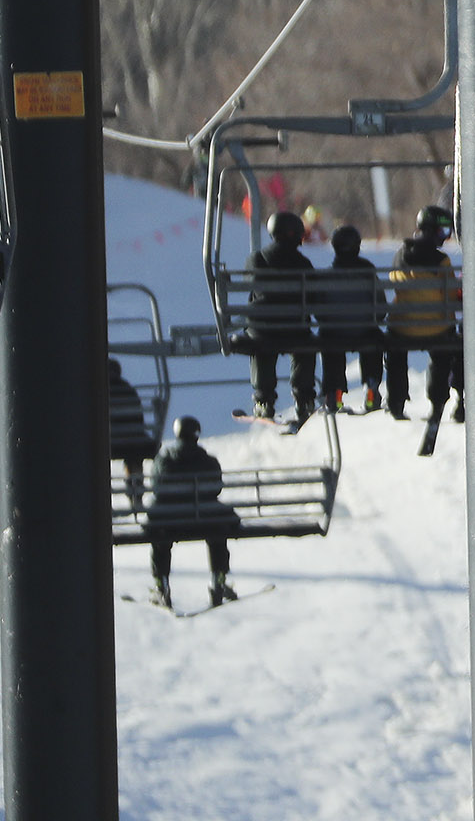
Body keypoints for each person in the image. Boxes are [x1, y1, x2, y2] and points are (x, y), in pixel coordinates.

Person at [146, 415, 239, 609]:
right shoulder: (207, 460)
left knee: (159, 539)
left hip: (170, 520)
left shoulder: (164, 459)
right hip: (205, 518)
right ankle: (218, 580)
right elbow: (216, 488)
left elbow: (157, 487)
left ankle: (161, 585)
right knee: (218, 534)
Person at [388, 205, 463, 424]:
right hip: (437, 328)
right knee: (446, 351)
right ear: (431, 231)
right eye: (443, 232)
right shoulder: (441, 261)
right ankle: (439, 400)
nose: (445, 237)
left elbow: (395, 284)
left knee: (395, 353)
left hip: (402, 328)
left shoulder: (400, 256)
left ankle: (396, 402)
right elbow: (450, 296)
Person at [242, 209, 319, 420]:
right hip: (296, 330)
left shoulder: (256, 260)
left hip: (264, 331)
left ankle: (263, 399)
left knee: (261, 344)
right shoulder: (304, 264)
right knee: (304, 346)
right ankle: (304, 399)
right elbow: (313, 298)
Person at [317, 224, 385, 414]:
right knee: (374, 337)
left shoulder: (327, 277)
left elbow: (318, 311)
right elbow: (381, 308)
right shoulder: (368, 273)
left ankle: (334, 395)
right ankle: (371, 391)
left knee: (328, 338)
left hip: (334, 334)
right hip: (366, 331)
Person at [107, 358, 157, 513]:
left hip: (108, 440)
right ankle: (136, 494)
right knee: (134, 458)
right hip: (134, 439)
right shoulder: (128, 389)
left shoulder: (97, 389)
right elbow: (139, 420)